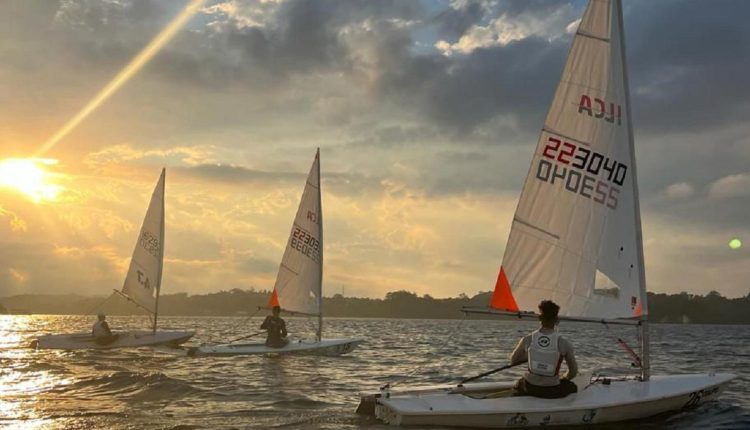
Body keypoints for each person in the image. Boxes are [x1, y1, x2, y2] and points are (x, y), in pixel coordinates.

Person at [510, 300, 578, 399]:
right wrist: (564, 378)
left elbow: (513, 360)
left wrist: (531, 356)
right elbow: (573, 372)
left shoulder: (527, 339)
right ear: (556, 320)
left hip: (530, 387)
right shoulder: (564, 343)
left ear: (539, 318)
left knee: (519, 383)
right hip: (551, 390)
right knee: (572, 386)